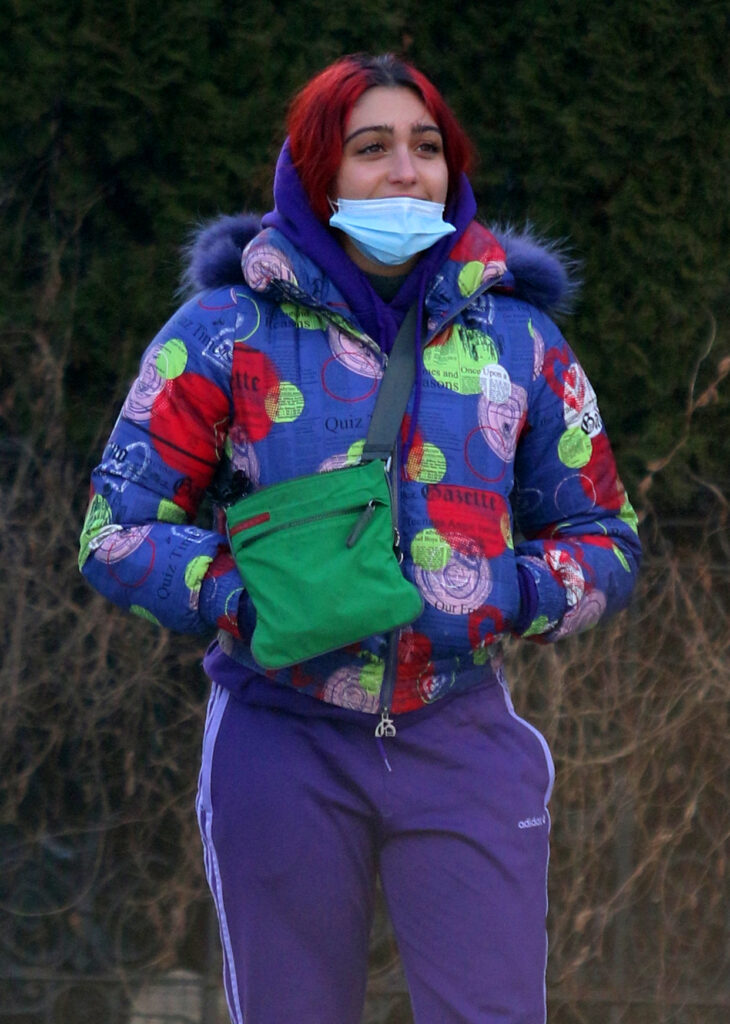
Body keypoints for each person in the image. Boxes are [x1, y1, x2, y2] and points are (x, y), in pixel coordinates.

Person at [79, 53, 641, 1024]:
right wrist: (240, 595)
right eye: (369, 147)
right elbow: (114, 529)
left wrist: (510, 591)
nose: (403, 171)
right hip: (276, 734)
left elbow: (609, 539)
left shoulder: (520, 342)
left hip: (460, 731)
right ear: (316, 171)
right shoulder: (221, 333)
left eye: (426, 148)